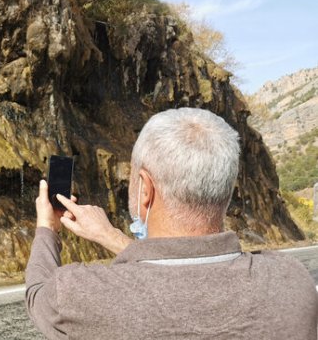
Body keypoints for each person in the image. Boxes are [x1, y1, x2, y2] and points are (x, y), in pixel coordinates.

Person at [25, 107, 318, 339]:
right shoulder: (292, 281)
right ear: (226, 189)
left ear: (145, 189)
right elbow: (182, 271)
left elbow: (38, 290)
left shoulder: (81, 294)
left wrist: (47, 228)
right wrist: (111, 237)